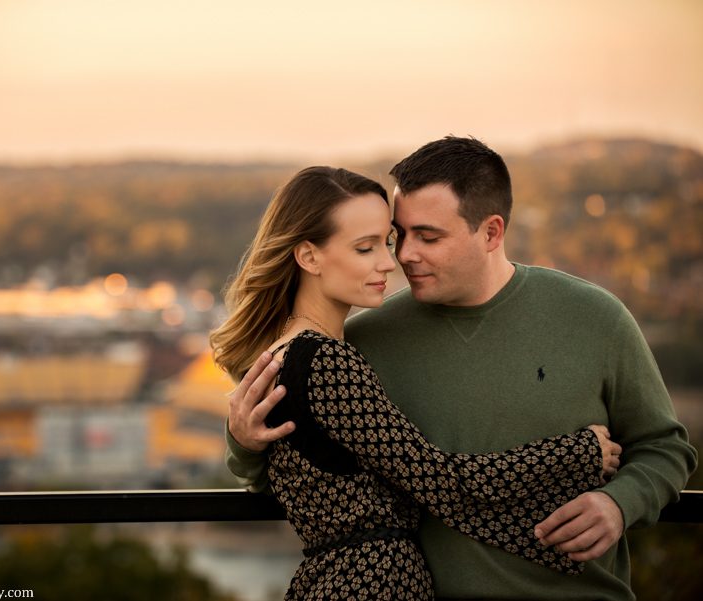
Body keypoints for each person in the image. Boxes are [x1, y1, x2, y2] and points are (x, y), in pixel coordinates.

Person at [225, 139, 697, 600]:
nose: (402, 256)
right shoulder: (360, 342)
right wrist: (244, 441)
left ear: (491, 232)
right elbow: (317, 482)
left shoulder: (595, 318)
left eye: (426, 237)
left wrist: (621, 503)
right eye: (399, 235)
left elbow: (664, 447)